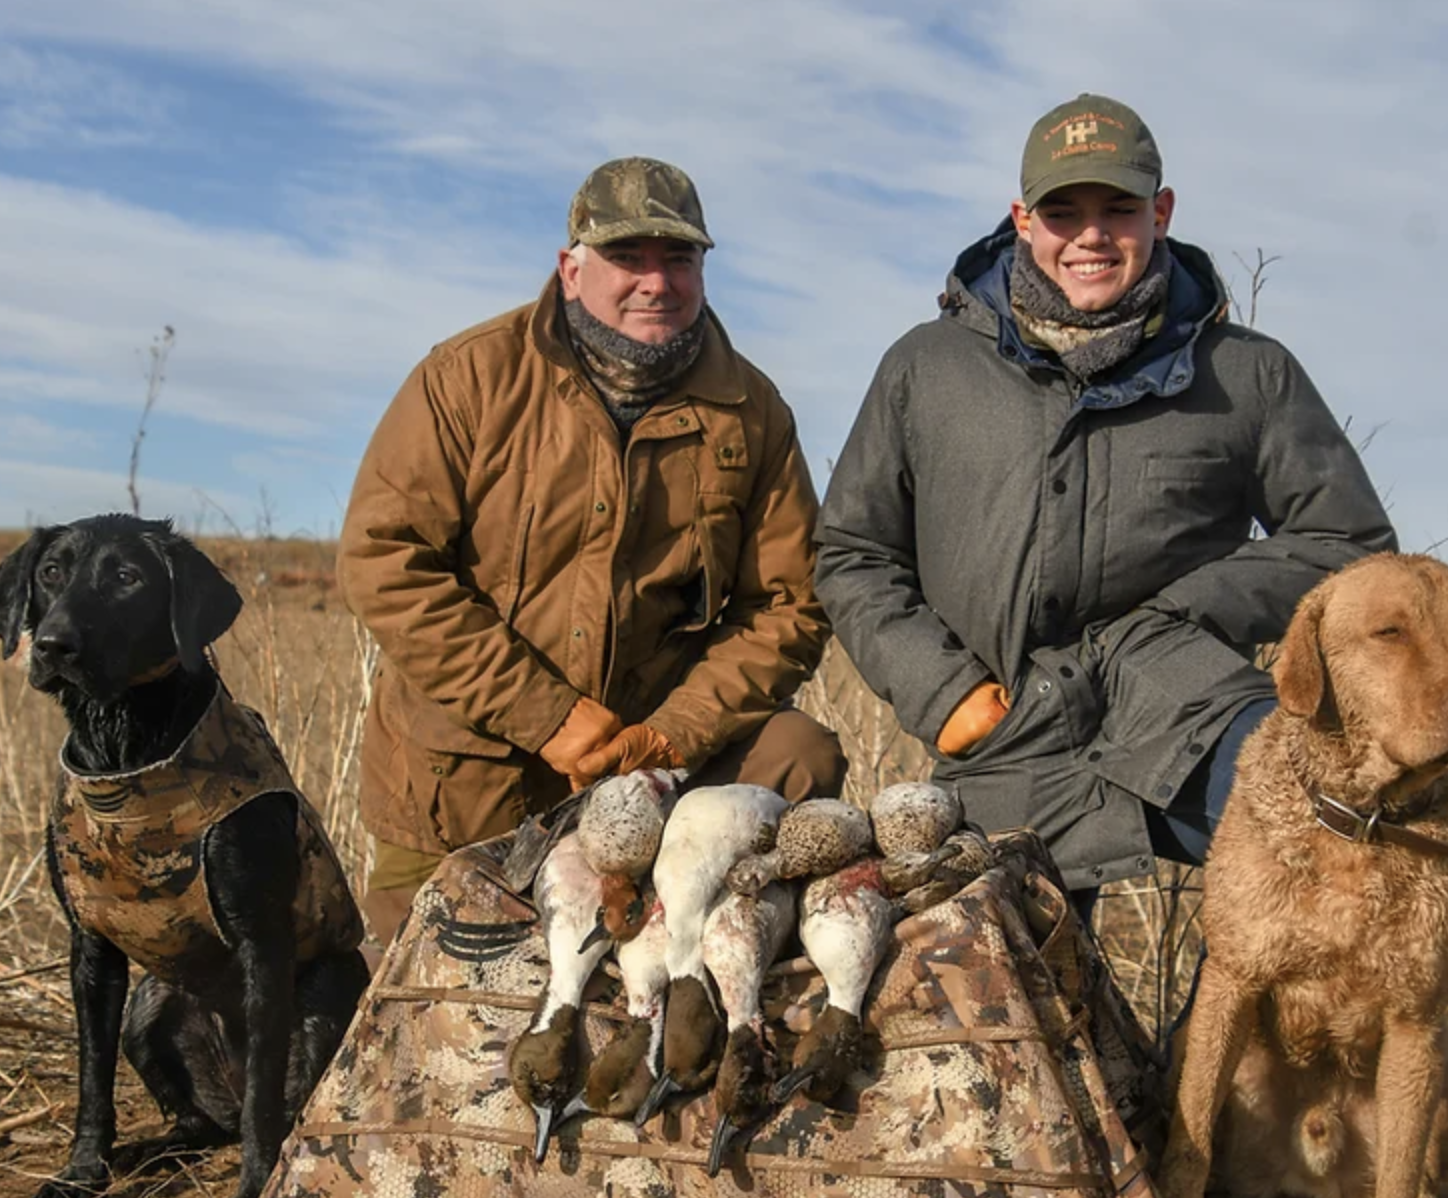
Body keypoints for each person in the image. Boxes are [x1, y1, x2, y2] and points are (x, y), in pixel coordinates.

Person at [814, 94, 1396, 914]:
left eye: (1118, 209)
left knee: (1346, 866)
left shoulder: (1249, 373)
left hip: (1187, 710)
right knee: (1000, 1010)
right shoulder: (925, 368)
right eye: (1063, 211)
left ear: (1160, 212)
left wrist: (1183, 612)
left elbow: (1348, 546)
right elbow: (853, 553)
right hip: (1007, 738)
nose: (1091, 235)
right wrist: (942, 692)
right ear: (1022, 219)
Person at [340, 156, 844, 945]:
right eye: (627, 258)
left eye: (678, 259)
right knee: (419, 1018)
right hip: (465, 782)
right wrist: (546, 718)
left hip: (655, 770)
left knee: (799, 752)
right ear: (571, 269)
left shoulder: (752, 412)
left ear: (703, 271)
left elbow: (789, 605)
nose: (656, 282)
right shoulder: (467, 378)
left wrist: (673, 734)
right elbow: (386, 563)